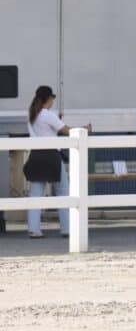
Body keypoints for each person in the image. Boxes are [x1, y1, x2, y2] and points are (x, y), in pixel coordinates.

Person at [23, 85, 90, 238]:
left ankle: (34, 229)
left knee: (35, 194)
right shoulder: (48, 115)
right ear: (49, 99)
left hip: (36, 156)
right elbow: (67, 131)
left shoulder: (32, 115)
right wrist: (84, 129)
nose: (53, 101)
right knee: (63, 192)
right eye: (52, 98)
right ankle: (67, 228)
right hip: (52, 156)